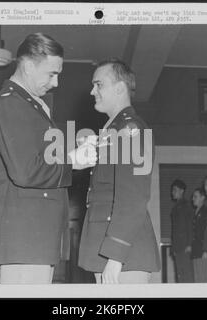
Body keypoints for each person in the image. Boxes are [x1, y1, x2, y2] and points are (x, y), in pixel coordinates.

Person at [0, 33, 96, 284]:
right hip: (24, 237)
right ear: (29, 66)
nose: (56, 83)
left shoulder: (28, 104)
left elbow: (36, 158)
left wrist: (73, 152)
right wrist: (71, 161)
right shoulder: (11, 106)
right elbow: (25, 171)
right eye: (52, 73)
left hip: (33, 236)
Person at [78, 59, 161, 284]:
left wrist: (115, 256)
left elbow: (133, 196)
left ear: (119, 88)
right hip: (107, 247)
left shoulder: (130, 129)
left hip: (124, 253)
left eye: (98, 85)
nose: (92, 91)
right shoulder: (113, 131)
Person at [170, 179, 194, 283]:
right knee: (180, 275)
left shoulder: (186, 206)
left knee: (187, 275)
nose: (172, 192)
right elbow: (174, 230)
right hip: (178, 246)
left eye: (175, 190)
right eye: (172, 190)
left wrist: (189, 244)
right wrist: (174, 248)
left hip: (185, 246)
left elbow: (190, 226)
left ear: (182, 191)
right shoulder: (175, 208)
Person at [190, 188, 207, 283]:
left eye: (195, 196)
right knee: (197, 278)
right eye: (193, 196)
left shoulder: (205, 212)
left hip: (202, 249)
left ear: (203, 197)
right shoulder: (196, 212)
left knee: (203, 278)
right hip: (196, 249)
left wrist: (206, 250)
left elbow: (206, 232)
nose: (193, 199)